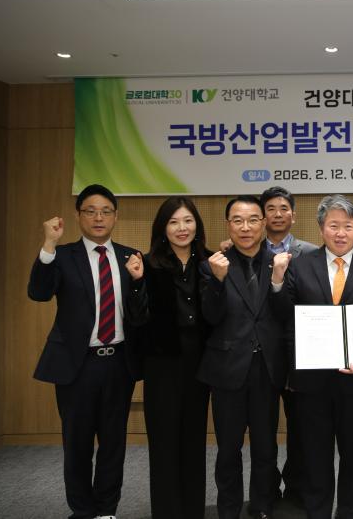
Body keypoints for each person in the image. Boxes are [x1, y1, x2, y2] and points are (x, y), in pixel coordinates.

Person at [270, 195, 353, 519]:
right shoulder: (301, 265)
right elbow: (285, 316)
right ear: (321, 228)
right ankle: (318, 511)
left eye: (348, 226)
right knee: (315, 454)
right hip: (313, 381)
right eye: (333, 226)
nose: (340, 233)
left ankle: (351, 512)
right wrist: (277, 281)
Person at [27, 184, 142, 519]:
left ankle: (106, 509)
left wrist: (139, 283)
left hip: (118, 363)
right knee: (77, 444)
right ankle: (82, 510)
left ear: (116, 216)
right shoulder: (63, 256)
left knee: (113, 443)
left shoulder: (130, 256)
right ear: (78, 216)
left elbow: (140, 311)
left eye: (106, 211)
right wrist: (48, 244)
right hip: (77, 365)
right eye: (90, 211)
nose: (98, 217)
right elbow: (38, 292)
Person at [198, 195, 287, 519]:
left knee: (265, 446)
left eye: (252, 220)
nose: (245, 227)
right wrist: (217, 281)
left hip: (266, 369)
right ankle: (228, 509)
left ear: (263, 223)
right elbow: (209, 317)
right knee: (228, 449)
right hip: (227, 369)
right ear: (228, 225)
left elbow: (286, 316)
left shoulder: (280, 263)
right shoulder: (212, 265)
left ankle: (262, 506)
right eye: (238, 220)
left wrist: (278, 282)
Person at [125, 197, 213, 519]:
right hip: (162, 364)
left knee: (193, 441)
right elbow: (137, 319)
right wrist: (137, 283)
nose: (182, 228)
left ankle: (192, 511)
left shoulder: (210, 262)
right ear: (163, 228)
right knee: (163, 442)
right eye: (173, 222)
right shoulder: (146, 264)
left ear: (197, 225)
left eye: (188, 221)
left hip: (200, 364)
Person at [260, 185, 318, 508]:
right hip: (262, 354)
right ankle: (267, 491)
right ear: (262, 216)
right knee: (264, 428)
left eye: (284, 208)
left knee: (301, 428)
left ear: (293, 215)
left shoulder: (311, 252)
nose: (278, 214)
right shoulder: (249, 249)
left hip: (301, 352)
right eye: (271, 208)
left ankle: (296, 489)